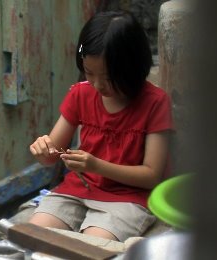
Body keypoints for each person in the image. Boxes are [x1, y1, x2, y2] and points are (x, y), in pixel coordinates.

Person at [28, 11, 173, 242]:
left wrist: (97, 166)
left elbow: (151, 176)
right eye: (89, 73)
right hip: (76, 191)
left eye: (108, 78)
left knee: (91, 247)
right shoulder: (81, 93)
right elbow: (51, 155)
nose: (97, 84)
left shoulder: (155, 102)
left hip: (127, 198)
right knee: (33, 238)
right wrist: (42, 149)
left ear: (133, 68)